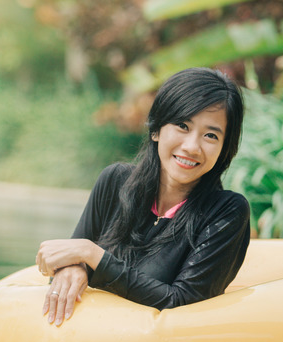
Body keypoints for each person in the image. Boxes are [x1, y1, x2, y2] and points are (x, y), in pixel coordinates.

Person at [35, 67, 250, 326]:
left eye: (210, 135)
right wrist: (75, 266)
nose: (192, 147)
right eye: (182, 125)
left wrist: (92, 256)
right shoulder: (115, 182)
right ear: (156, 129)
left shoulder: (227, 211)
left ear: (224, 149)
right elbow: (68, 260)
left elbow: (182, 302)